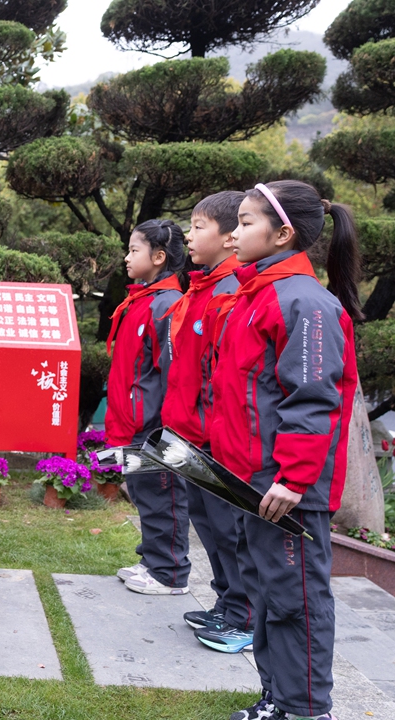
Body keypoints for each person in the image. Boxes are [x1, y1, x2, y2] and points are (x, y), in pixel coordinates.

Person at [212, 181, 361, 720]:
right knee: (268, 596)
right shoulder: (255, 296)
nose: (234, 234)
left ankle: (305, 710)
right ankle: (279, 698)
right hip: (253, 482)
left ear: (283, 233)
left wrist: (294, 479)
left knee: (296, 602)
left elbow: (313, 399)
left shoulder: (304, 302)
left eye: (246, 223)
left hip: (286, 490)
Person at [159, 191, 255, 652]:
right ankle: (226, 604)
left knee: (230, 530)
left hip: (214, 439)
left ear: (229, 235)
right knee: (209, 526)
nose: (189, 235)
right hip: (188, 434)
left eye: (198, 226)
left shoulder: (230, 290)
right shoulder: (200, 289)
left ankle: (243, 616)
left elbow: (224, 376)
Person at [107, 219, 190, 595]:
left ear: (158, 257)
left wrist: (162, 428)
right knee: (144, 494)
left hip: (154, 427)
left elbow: (173, 373)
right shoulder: (144, 300)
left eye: (134, 250)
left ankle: (170, 573)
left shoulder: (168, 305)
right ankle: (151, 559)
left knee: (163, 497)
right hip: (135, 423)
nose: (127, 257)